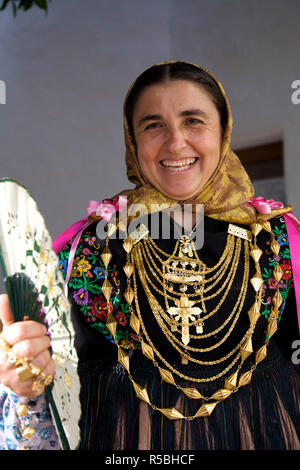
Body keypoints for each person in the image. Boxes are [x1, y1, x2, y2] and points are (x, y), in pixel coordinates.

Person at [0, 61, 299, 450]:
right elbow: (54, 405)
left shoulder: (279, 240)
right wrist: (24, 382)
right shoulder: (88, 249)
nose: (176, 142)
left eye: (194, 120)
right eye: (153, 125)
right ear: (132, 140)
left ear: (223, 131)